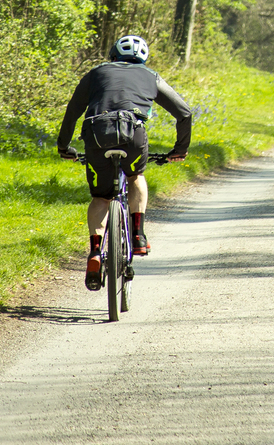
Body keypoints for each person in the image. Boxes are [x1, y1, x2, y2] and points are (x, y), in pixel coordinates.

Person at [56, 34, 192, 290]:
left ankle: (95, 252)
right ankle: (138, 235)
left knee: (101, 197)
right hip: (134, 135)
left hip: (96, 134)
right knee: (135, 177)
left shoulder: (96, 73)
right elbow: (184, 113)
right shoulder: (150, 75)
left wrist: (64, 147)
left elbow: (73, 110)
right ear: (143, 59)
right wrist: (179, 149)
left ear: (113, 56)